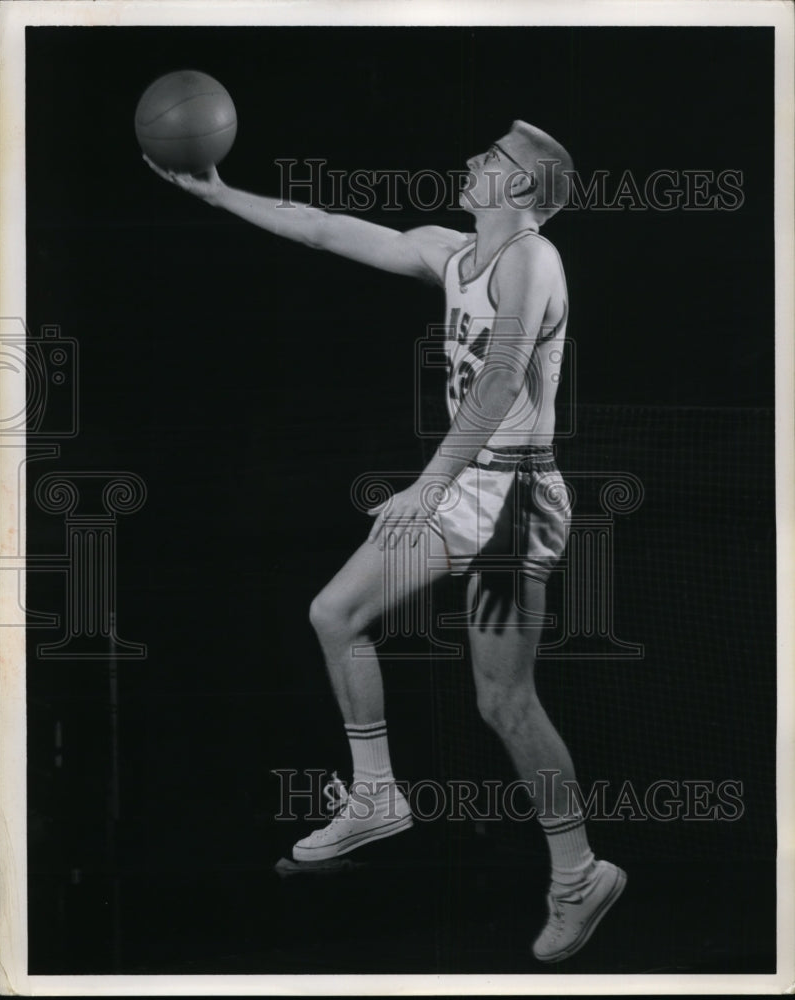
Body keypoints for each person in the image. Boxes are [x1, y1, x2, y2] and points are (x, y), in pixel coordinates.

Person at [145, 119, 626, 963]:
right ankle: (377, 797)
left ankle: (578, 874)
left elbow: (507, 375)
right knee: (336, 615)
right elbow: (331, 229)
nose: (471, 161)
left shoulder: (532, 258)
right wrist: (222, 195)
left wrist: (428, 485)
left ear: (522, 188)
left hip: (516, 492)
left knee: (503, 702)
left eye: (491, 159)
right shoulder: (452, 252)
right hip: (469, 482)